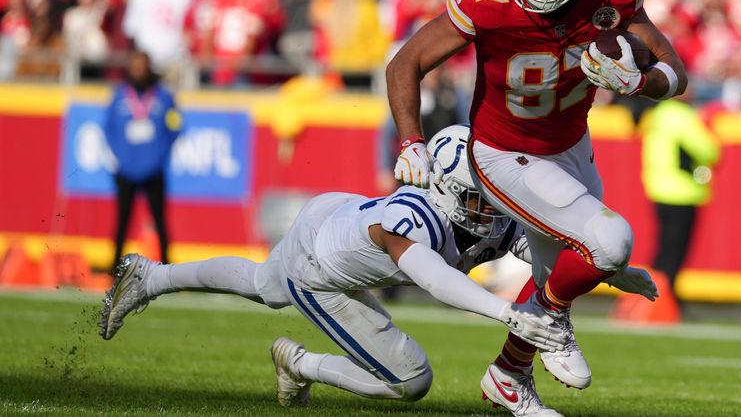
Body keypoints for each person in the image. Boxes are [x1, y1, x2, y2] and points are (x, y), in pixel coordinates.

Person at [99, 124, 659, 412]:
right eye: (480, 196)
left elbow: (540, 252)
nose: (492, 207)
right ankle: (300, 363)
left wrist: (611, 271)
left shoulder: (476, 213)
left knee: (260, 284)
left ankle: (152, 277)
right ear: (447, 189)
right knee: (409, 381)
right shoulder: (416, 215)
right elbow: (436, 279)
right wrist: (506, 313)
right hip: (323, 267)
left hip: (333, 213)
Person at [385, 0, 685, 414]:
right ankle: (549, 322)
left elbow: (675, 73)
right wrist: (412, 141)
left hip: (570, 143)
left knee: (561, 269)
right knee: (610, 244)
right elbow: (405, 62)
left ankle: (509, 372)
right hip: (504, 152)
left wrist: (639, 82)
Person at [639, 84, 720, 317]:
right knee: (674, 253)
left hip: (658, 189)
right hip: (682, 191)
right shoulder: (682, 116)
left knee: (664, 250)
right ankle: (663, 302)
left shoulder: (659, 114)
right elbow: (710, 151)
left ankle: (654, 300)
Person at [104, 50, 181, 269]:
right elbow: (109, 128)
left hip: (153, 167)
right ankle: (114, 266)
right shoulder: (120, 95)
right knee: (122, 220)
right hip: (126, 168)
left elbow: (175, 125)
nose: (139, 70)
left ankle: (167, 265)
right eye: (135, 66)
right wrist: (119, 155)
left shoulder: (164, 97)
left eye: (142, 66)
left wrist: (160, 153)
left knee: (159, 219)